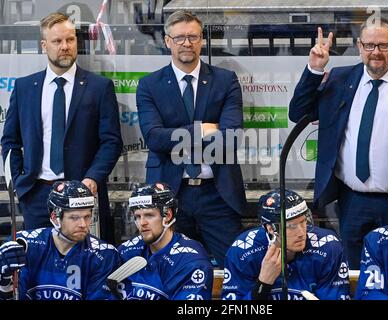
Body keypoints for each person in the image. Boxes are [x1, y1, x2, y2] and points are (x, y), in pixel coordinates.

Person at [288, 18, 388, 268]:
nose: (376, 52)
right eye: (369, 45)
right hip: (352, 202)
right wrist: (314, 69)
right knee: (355, 272)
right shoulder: (340, 79)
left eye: (383, 46)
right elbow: (298, 112)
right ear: (359, 46)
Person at [136, 10, 246, 267]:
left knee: (237, 268)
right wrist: (202, 130)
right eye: (180, 37)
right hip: (170, 194)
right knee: (170, 268)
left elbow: (229, 139)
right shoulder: (149, 85)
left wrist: (175, 136)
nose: (187, 43)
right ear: (167, 41)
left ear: (202, 40)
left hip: (217, 195)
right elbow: (154, 138)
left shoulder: (224, 80)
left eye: (193, 37)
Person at [1, 12, 123, 243]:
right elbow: (10, 141)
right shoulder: (25, 87)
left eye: (70, 40)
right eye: (57, 41)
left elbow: (111, 141)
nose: (65, 46)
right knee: (36, 264)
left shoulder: (99, 87)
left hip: (82, 195)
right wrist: (19, 182)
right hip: (37, 195)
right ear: (44, 45)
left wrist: (92, 179)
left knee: (86, 266)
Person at [0, 180, 121, 300]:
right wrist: (5, 284)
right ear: (55, 217)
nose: (83, 224)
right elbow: (13, 295)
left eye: (87, 217)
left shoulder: (104, 255)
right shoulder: (24, 245)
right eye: (74, 218)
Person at [221, 189, 351, 300]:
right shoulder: (243, 251)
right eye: (292, 226)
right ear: (271, 228)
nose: (302, 232)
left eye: (303, 222)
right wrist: (263, 284)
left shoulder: (328, 246)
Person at [115, 182, 213, 300]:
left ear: (168, 215)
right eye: (137, 216)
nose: (142, 223)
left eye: (149, 215)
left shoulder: (191, 261)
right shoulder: (125, 252)